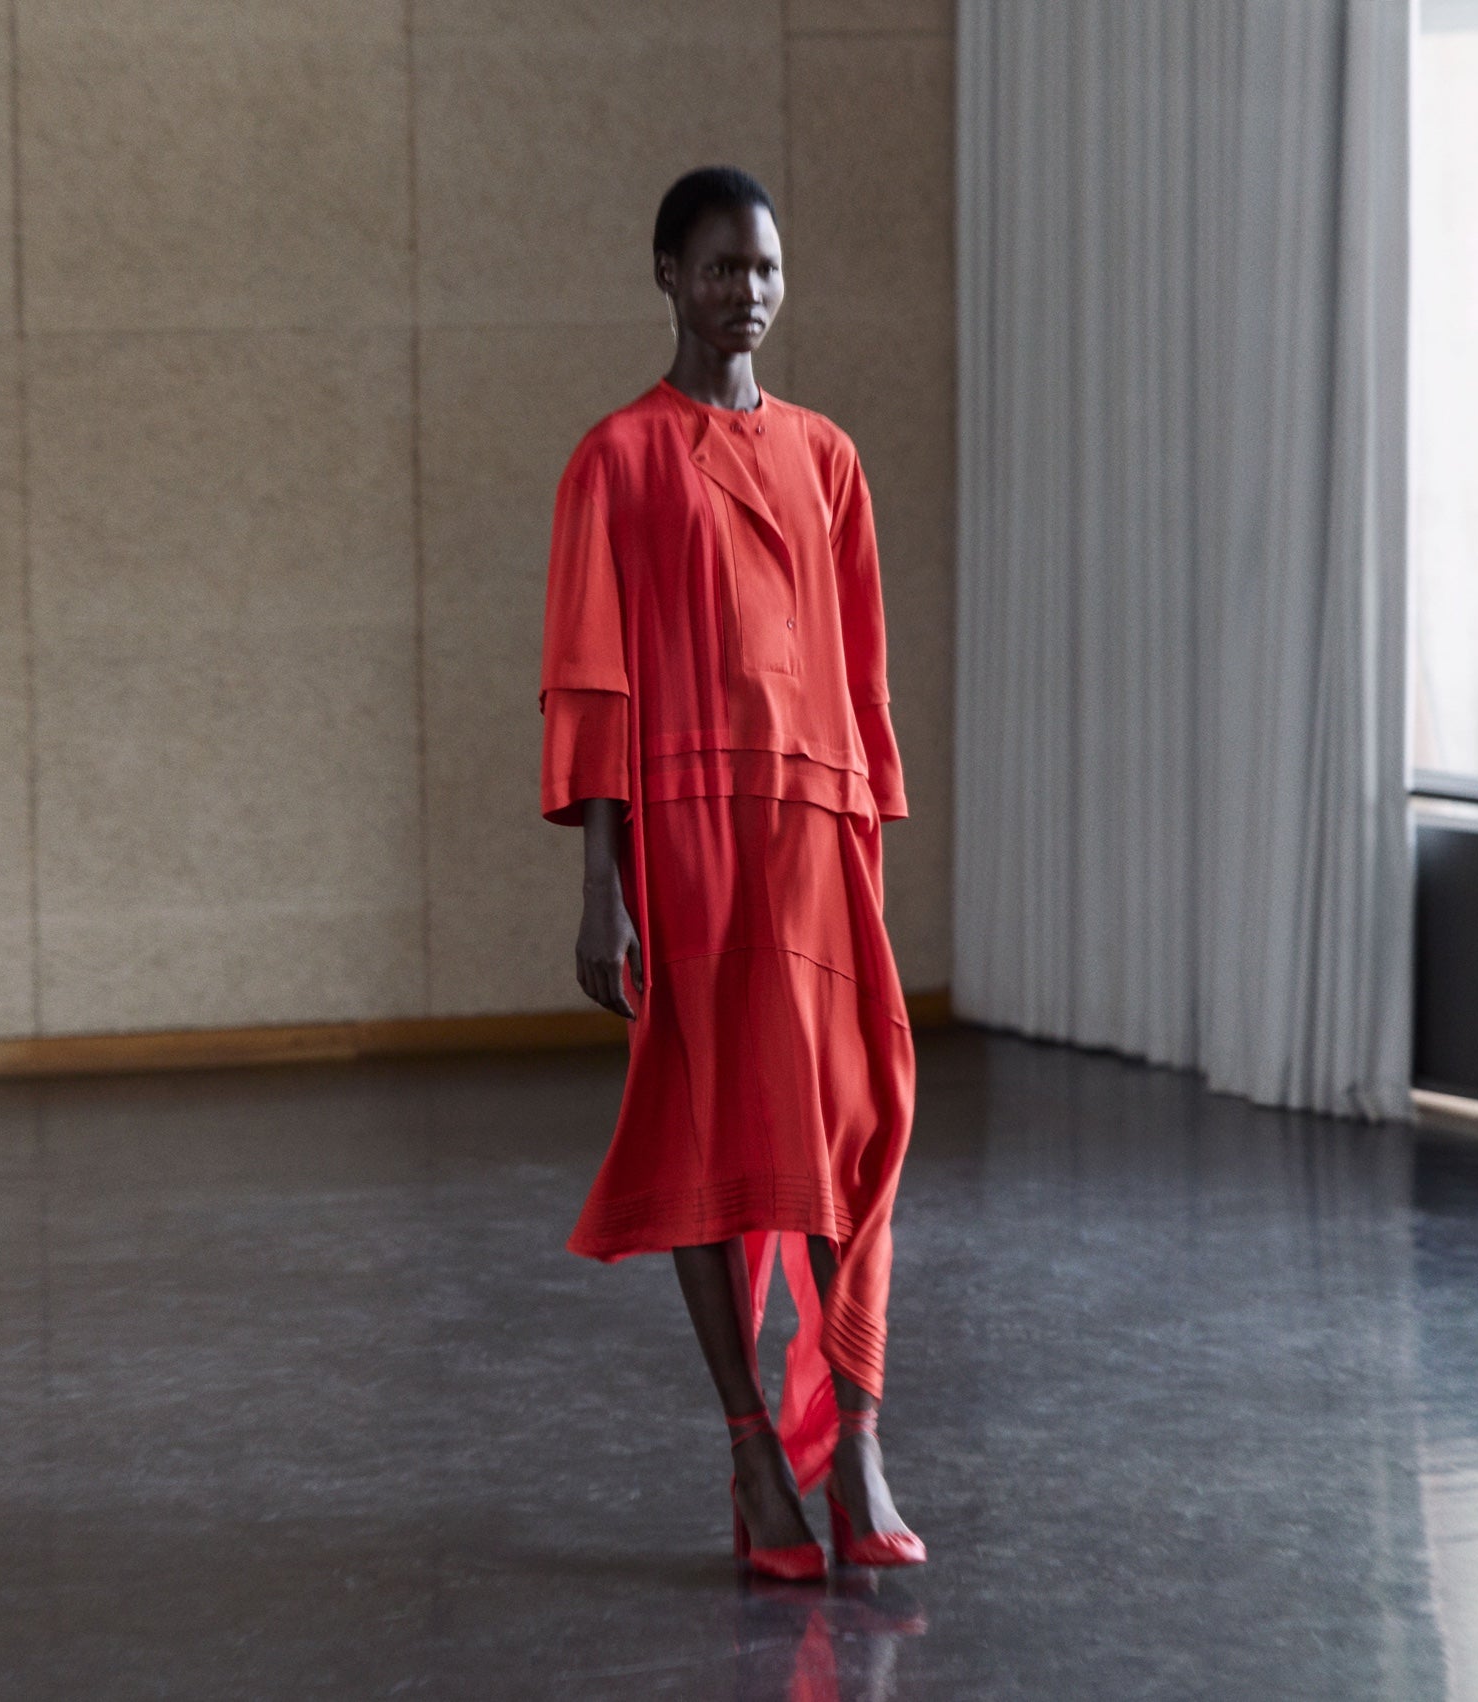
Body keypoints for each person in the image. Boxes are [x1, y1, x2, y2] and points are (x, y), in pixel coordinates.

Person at [537, 166, 925, 1582]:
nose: (744, 292)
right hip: (686, 831)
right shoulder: (617, 460)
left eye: (762, 268)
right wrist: (603, 884)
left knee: (850, 1126)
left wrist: (864, 835)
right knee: (709, 1138)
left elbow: (859, 666)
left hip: (813, 831)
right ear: (667, 277)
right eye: (717, 267)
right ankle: (755, 1446)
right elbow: (590, 675)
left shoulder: (827, 457)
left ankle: (857, 1435)